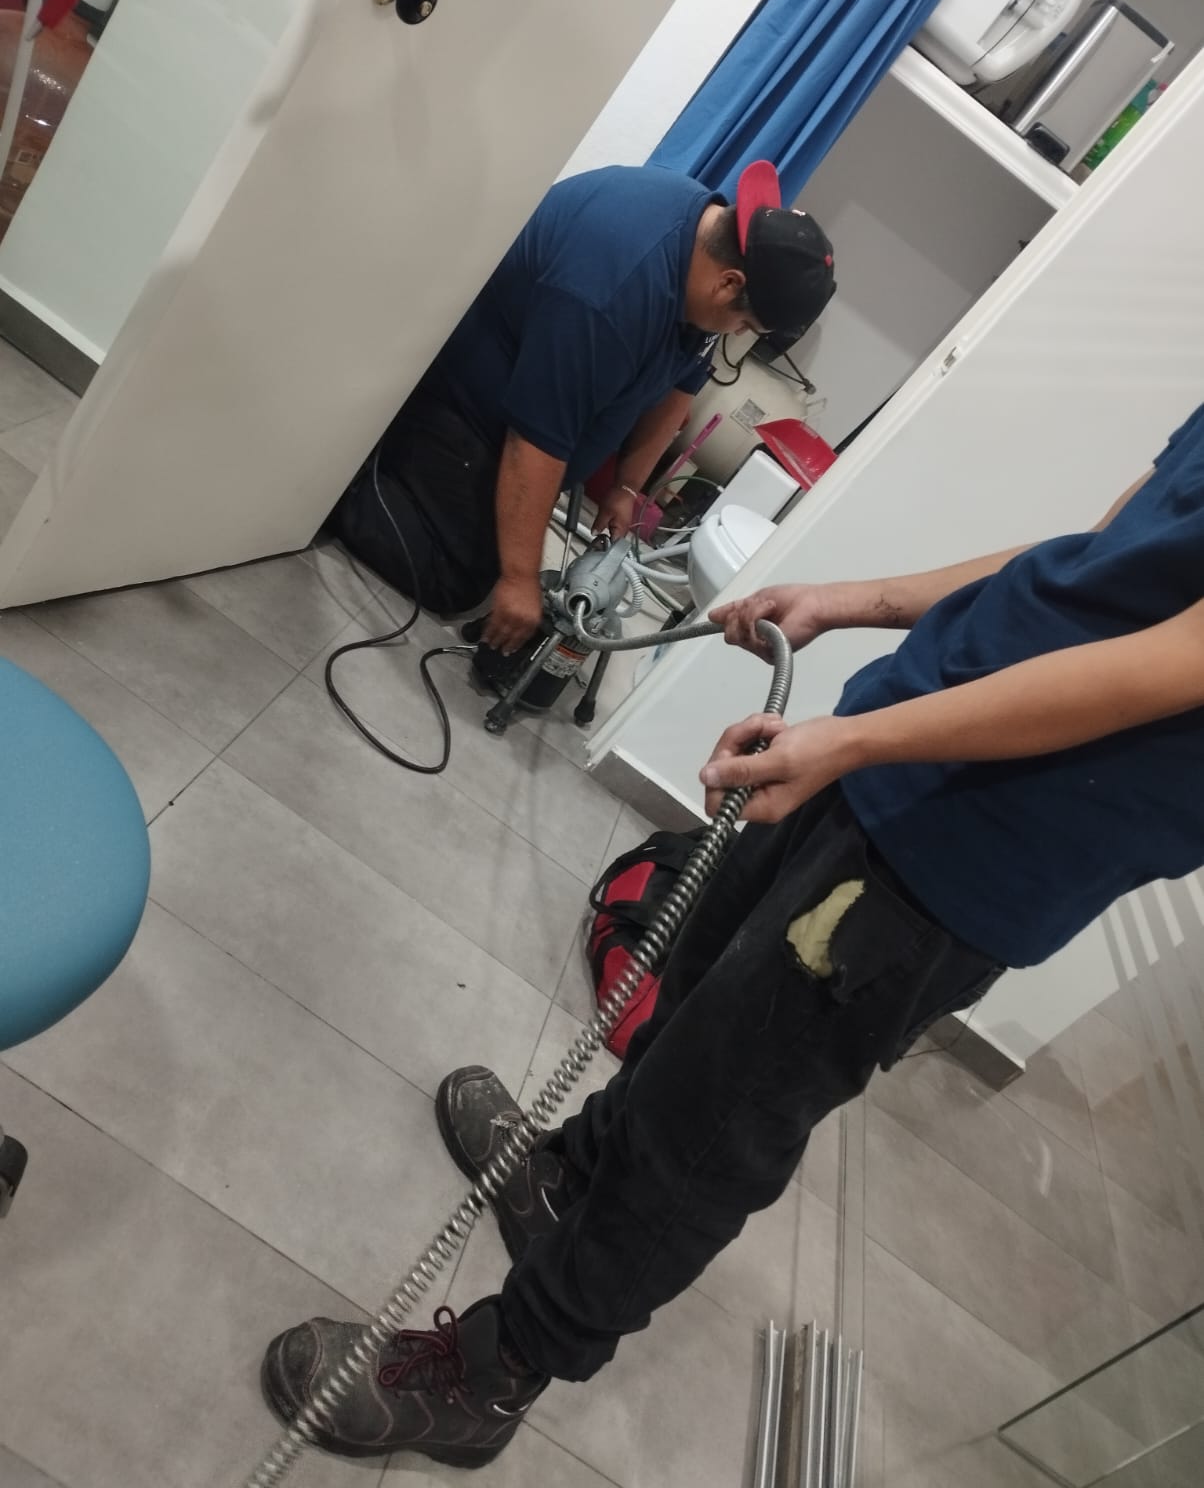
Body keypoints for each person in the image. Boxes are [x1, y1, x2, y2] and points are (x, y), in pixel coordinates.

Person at [260, 405, 1204, 1468]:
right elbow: (1094, 557)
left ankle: (498, 1371)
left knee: (717, 1123)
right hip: (892, 749)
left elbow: (1170, 663)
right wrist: (852, 606)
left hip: (971, 851)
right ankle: (573, 1179)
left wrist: (856, 743)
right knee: (695, 1002)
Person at [327, 159, 835, 654]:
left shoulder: (705, 253)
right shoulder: (611, 288)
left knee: (492, 558)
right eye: (745, 325)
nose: (738, 332)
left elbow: (681, 385)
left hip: (521, 427)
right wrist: (519, 578)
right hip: (467, 408)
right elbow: (536, 436)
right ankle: (331, 472)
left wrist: (628, 487)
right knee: (451, 581)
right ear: (729, 284)